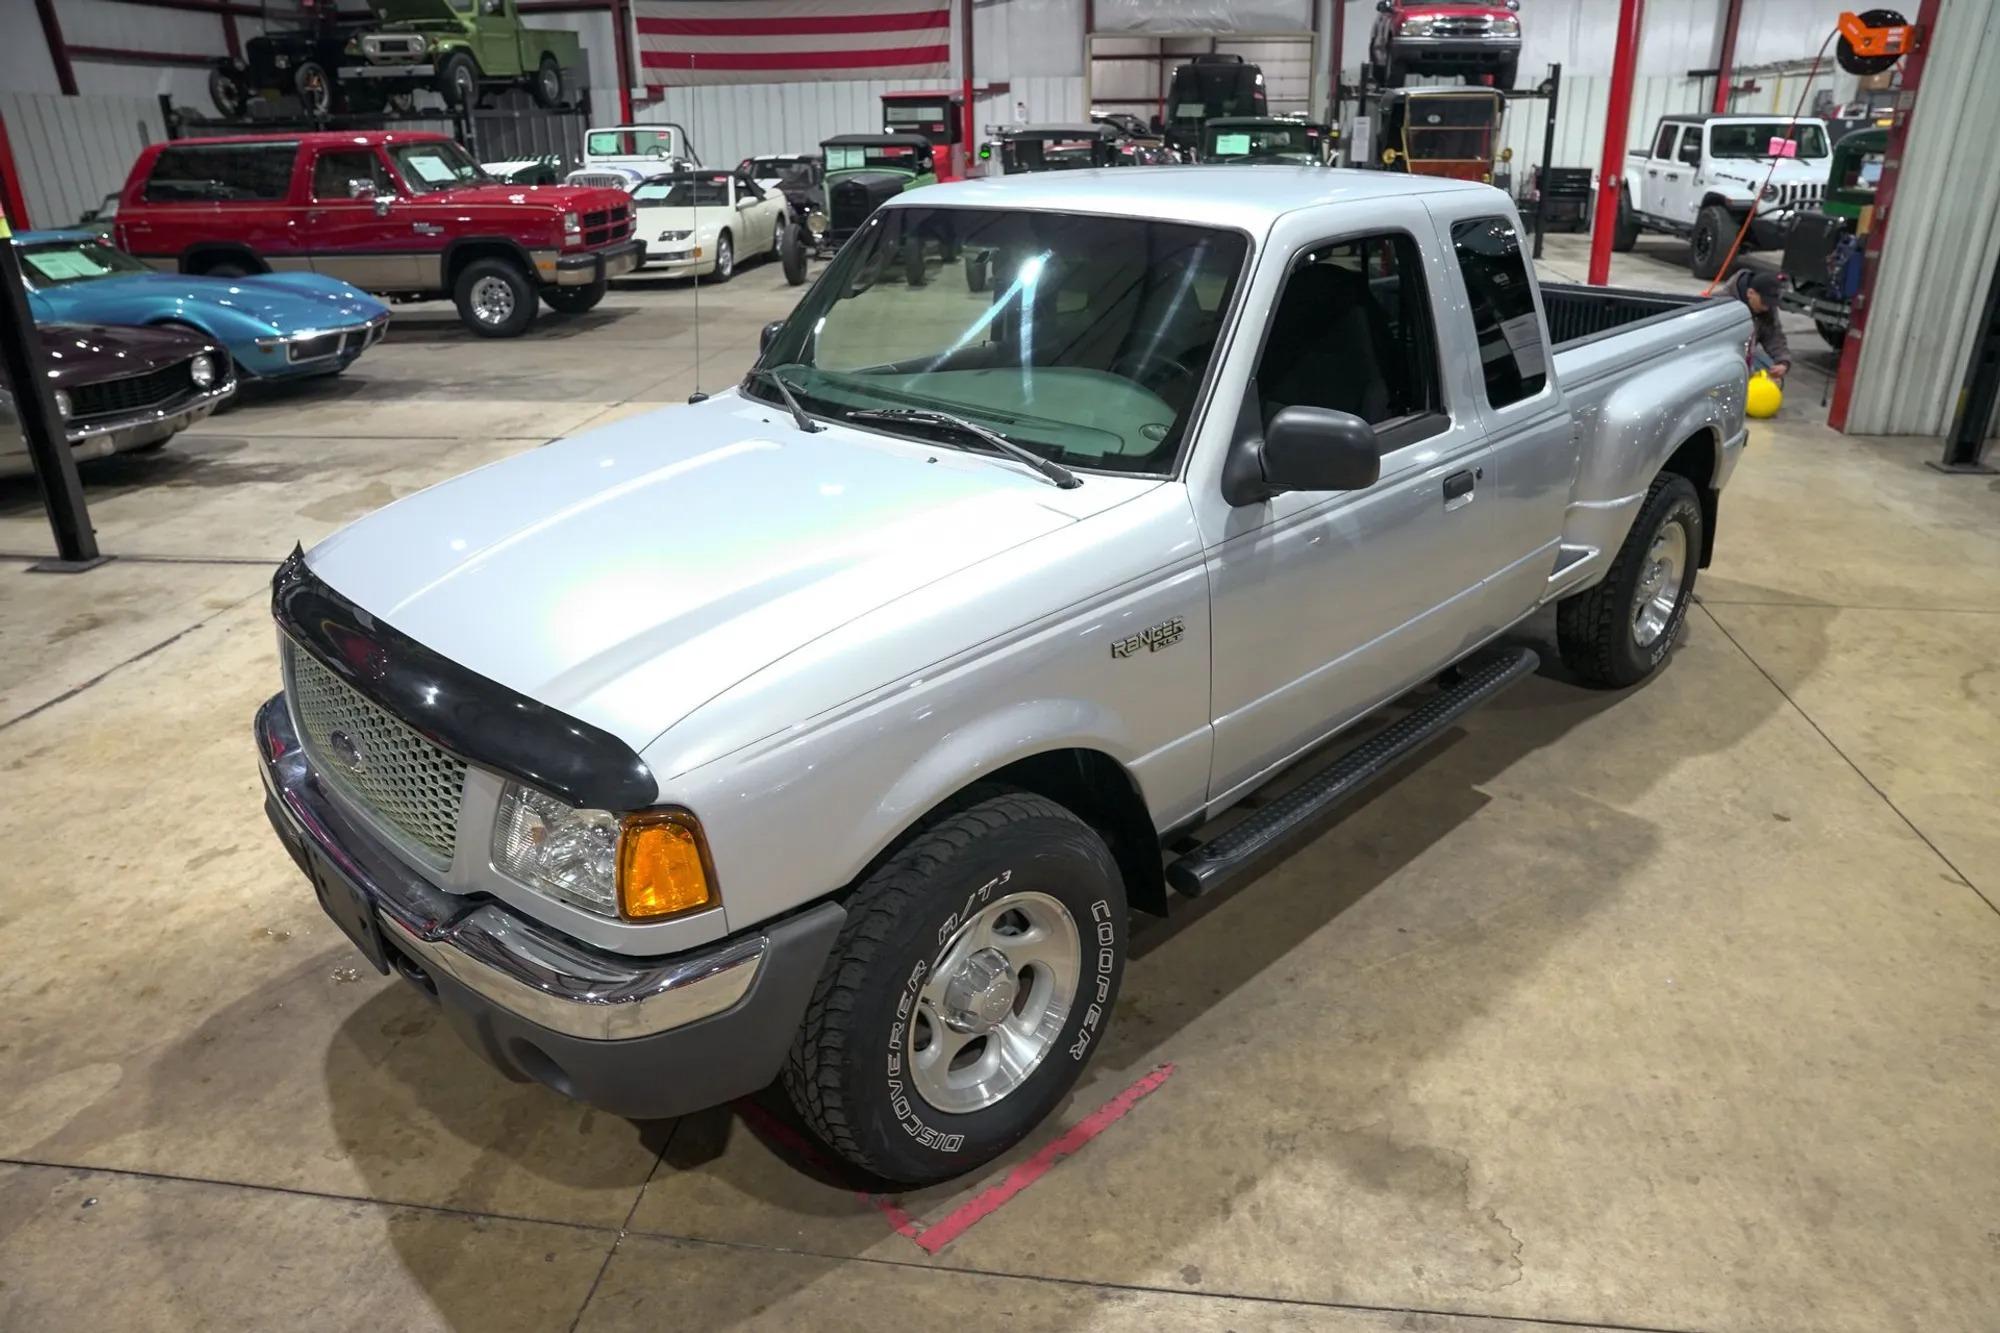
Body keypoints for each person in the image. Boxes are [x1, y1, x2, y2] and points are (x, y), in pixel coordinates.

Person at [1728, 268, 1792, 382]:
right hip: (1725, 360)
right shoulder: (1723, 304)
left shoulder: (1767, 309)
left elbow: (1774, 336)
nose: (1766, 308)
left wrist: (1783, 362)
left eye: (1770, 304)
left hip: (1747, 354)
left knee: (1774, 380)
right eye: (1764, 303)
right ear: (1750, 293)